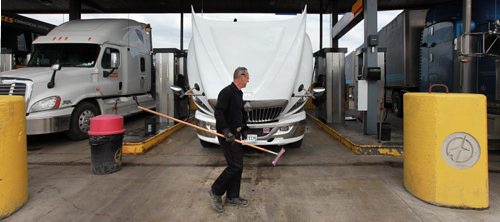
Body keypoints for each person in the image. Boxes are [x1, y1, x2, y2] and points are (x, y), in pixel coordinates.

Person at [209, 66, 250, 213]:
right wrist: (226, 131)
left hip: (236, 135)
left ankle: (232, 196)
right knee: (235, 166)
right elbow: (218, 112)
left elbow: (239, 113)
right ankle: (216, 191)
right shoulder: (226, 92)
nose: (249, 80)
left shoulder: (238, 93)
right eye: (247, 77)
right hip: (227, 137)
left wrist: (243, 129)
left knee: (238, 166)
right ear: (241, 77)